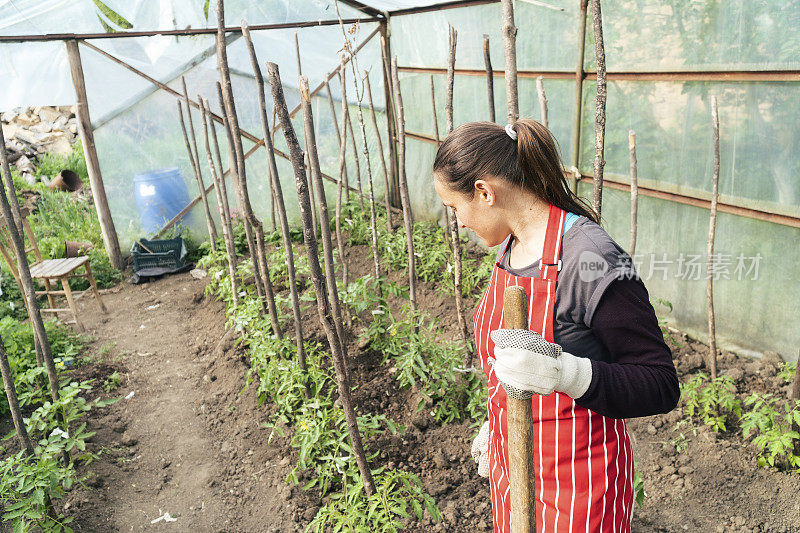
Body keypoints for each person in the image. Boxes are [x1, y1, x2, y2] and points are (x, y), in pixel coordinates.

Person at [432, 120, 680, 532]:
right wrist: (499, 423)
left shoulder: (591, 258)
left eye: (454, 208)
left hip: (581, 491)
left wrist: (567, 373)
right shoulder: (513, 246)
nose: (458, 222)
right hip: (516, 474)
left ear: (484, 192)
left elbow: (659, 383)